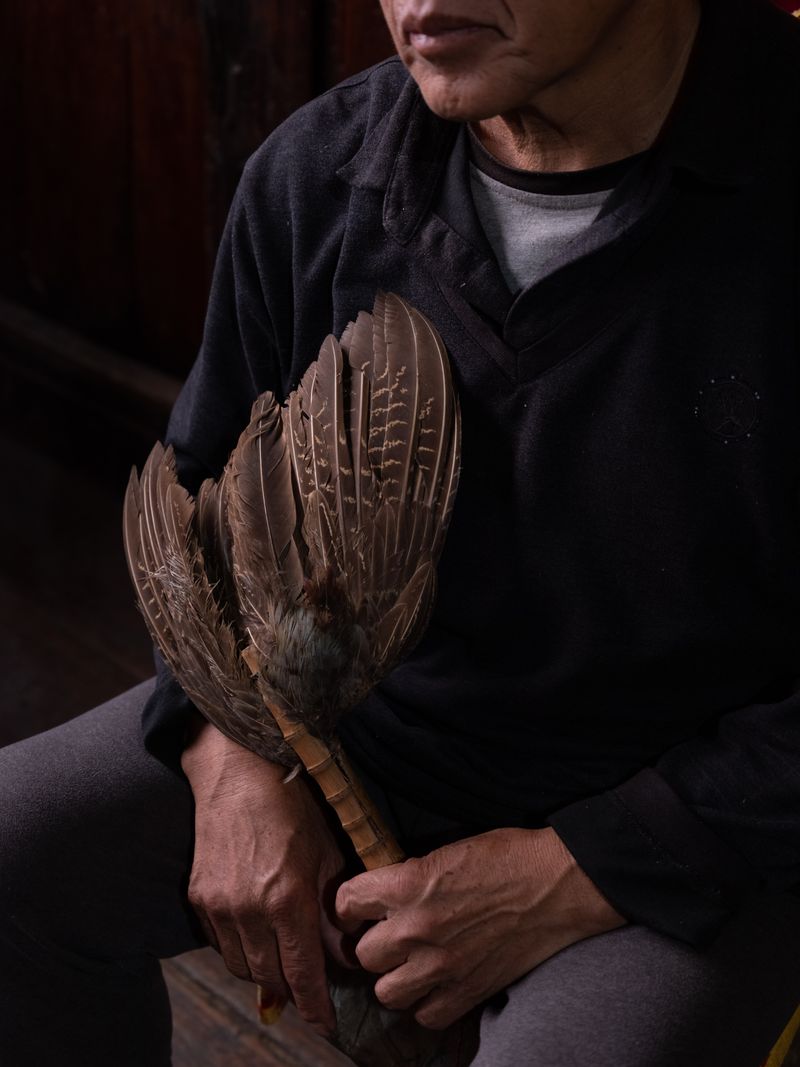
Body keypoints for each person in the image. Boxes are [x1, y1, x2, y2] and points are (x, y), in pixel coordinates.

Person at [3, 1, 800, 1064]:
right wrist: (233, 753)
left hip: (693, 822)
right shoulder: (317, 170)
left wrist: (580, 869)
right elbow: (200, 497)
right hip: (353, 732)